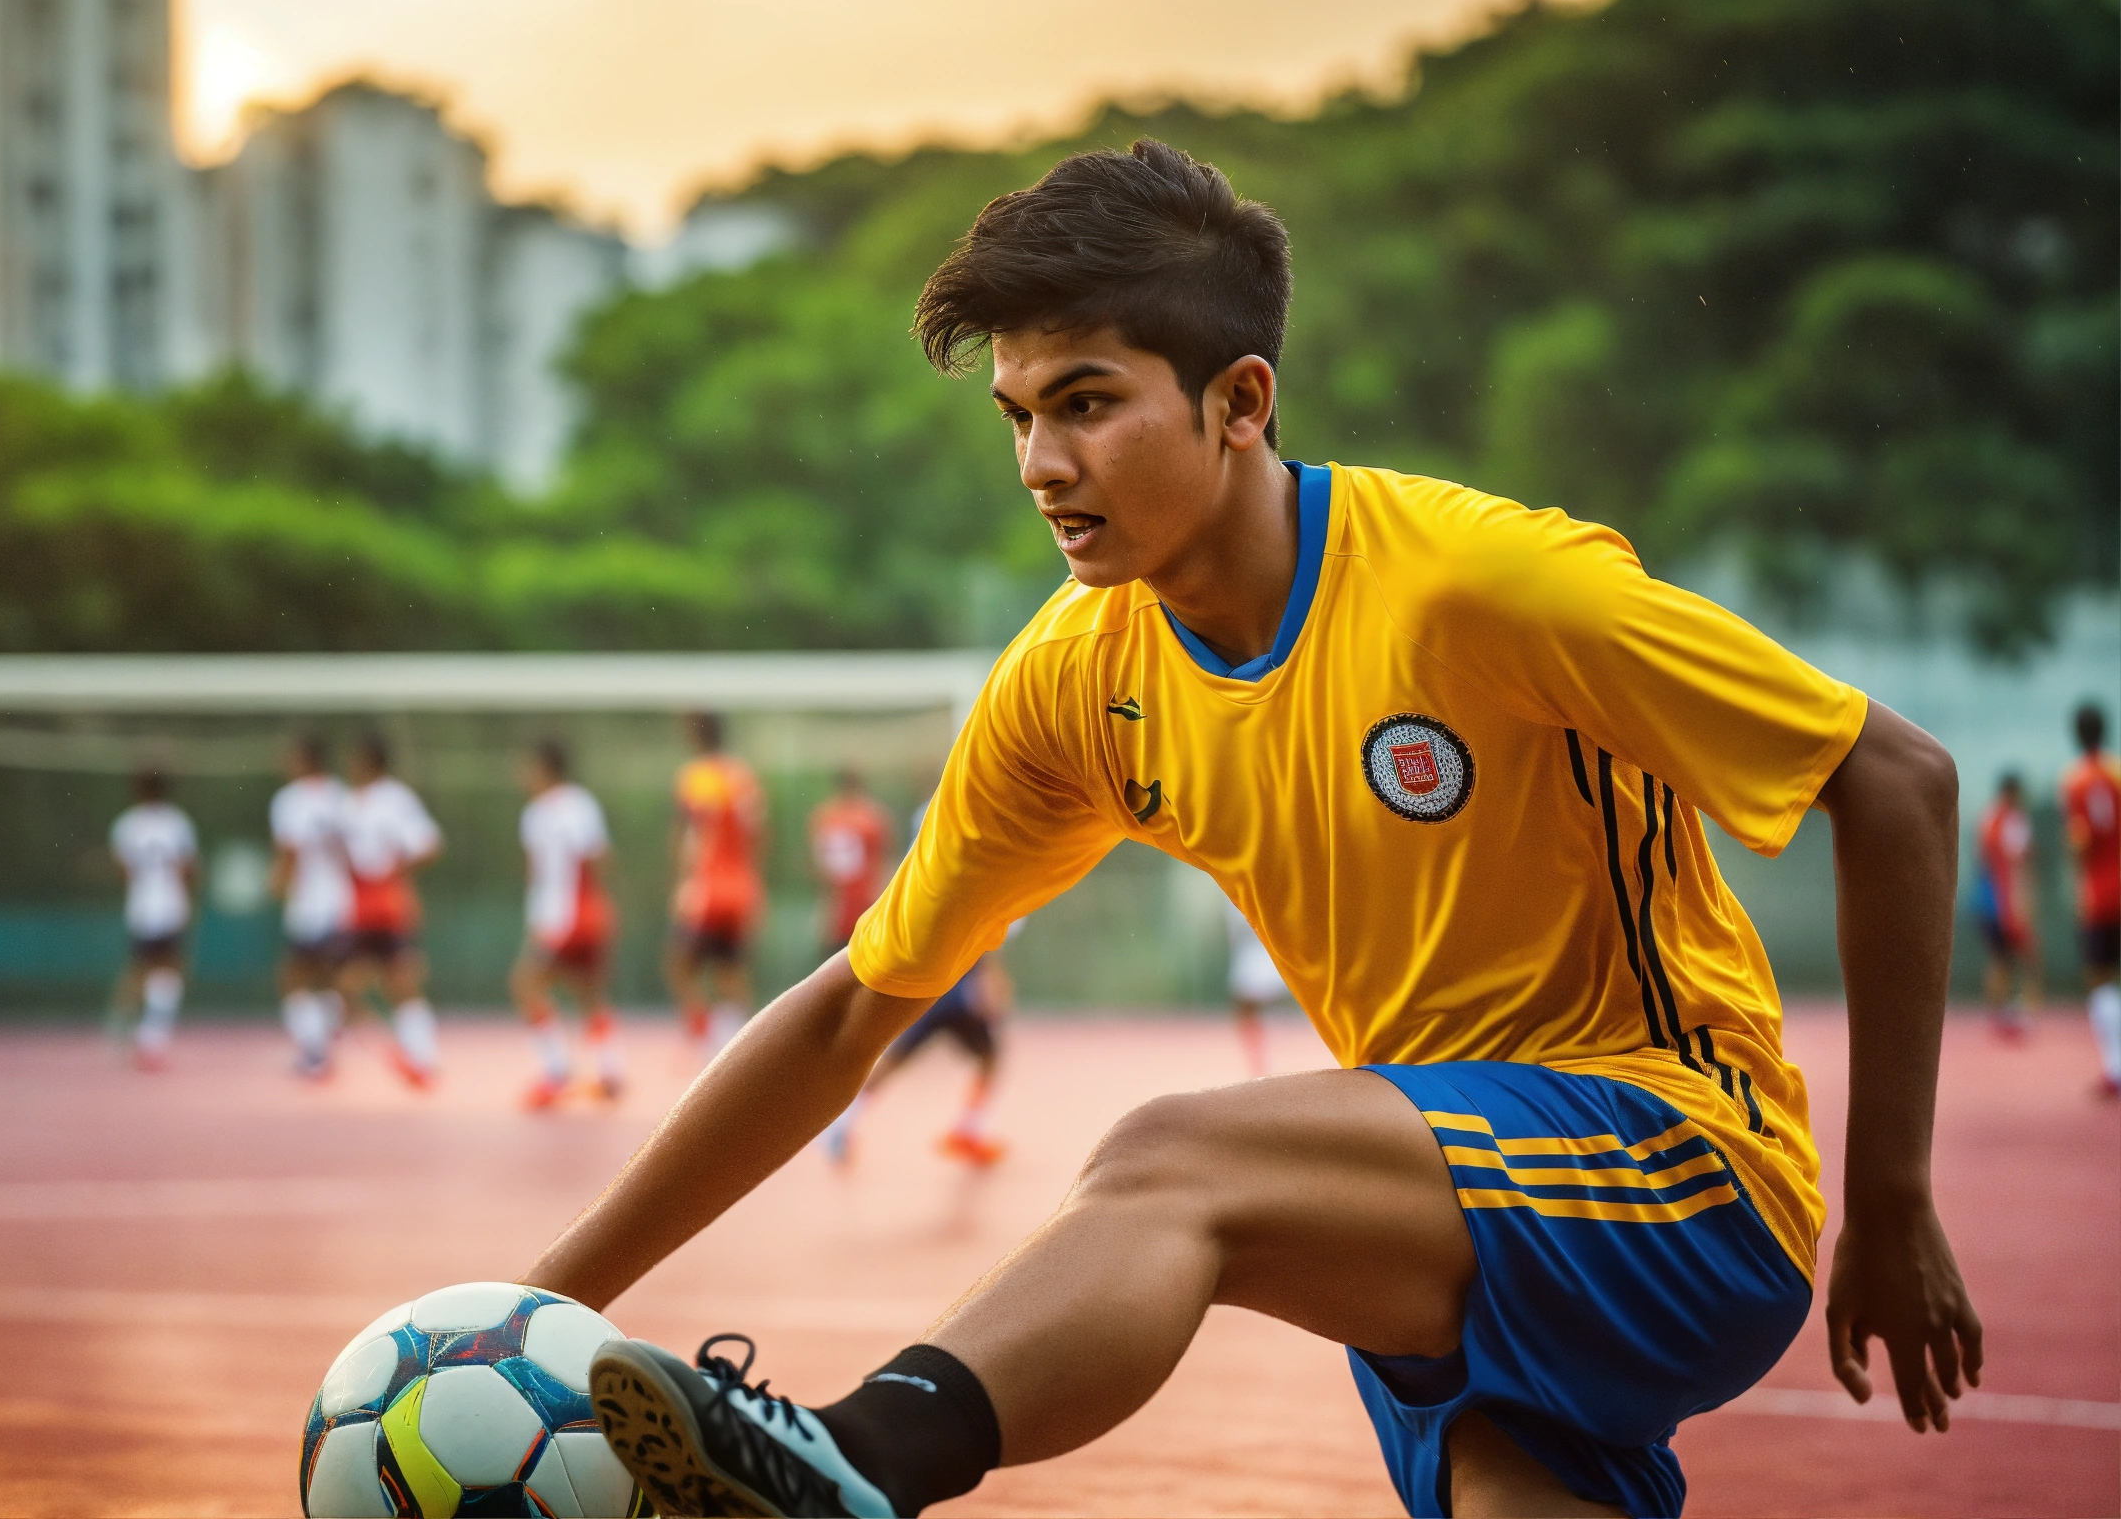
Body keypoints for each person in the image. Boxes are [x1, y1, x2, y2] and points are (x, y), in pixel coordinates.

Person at [521, 143, 1979, 1519]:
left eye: (1087, 403)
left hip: (1677, 1175)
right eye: (1019, 415)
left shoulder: (1486, 587)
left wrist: (1891, 1203)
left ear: (1240, 401)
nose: (1040, 463)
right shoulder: (1078, 678)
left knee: (1174, 1158)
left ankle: (850, 1462)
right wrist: (535, 1310)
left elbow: (1896, 780)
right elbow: (853, 1011)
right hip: (1437, 1220)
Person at [824, 918, 1021, 1170]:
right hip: (957, 996)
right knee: (986, 1058)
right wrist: (991, 990)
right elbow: (987, 951)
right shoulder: (1000, 906)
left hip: (938, 991)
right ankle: (967, 1129)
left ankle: (844, 1122)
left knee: (901, 1060)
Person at [513, 739, 627, 1110]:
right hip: (591, 914)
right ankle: (610, 1070)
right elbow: (599, 856)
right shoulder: (582, 803)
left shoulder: (537, 813)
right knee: (587, 991)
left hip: (562, 918)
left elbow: (537, 875)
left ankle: (556, 1070)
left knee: (525, 985)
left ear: (543, 768)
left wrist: (538, 921)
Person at [341, 732, 445, 1088]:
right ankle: (401, 1053)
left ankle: (420, 1058)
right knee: (347, 986)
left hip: (386, 905)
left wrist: (394, 870)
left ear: (369, 760)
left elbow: (429, 845)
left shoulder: (396, 799)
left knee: (399, 983)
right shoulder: (350, 803)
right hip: (357, 908)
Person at [666, 712, 767, 1049]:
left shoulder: (696, 777)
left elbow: (692, 833)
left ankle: (704, 1036)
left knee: (678, 963)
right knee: (730, 970)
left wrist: (685, 882)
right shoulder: (743, 776)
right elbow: (759, 833)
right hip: (741, 887)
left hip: (709, 887)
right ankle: (752, 1044)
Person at [269, 734, 353, 1080]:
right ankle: (325, 1035)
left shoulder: (291, 800)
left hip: (309, 904)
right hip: (342, 902)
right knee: (328, 979)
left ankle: (315, 1051)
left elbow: (291, 849)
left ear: (304, 759)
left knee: (293, 980)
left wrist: (278, 883)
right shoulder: (342, 795)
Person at [108, 767, 197, 1071]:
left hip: (143, 908)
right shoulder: (177, 823)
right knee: (169, 971)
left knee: (138, 971)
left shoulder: (127, 825)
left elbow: (123, 871)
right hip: (171, 906)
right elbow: (188, 869)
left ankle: (126, 1028)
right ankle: (152, 1037)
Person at [2063, 702, 2121, 1097]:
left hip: (2100, 893)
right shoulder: (2118, 774)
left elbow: (2081, 839)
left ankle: (2115, 1068)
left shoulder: (2075, 781)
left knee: (2099, 977)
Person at [1972, 772, 2042, 1043]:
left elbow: (1982, 857)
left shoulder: (1988, 817)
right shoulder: (2013, 820)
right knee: (2026, 957)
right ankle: (2025, 1013)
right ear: (2014, 793)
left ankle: (2001, 1015)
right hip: (2006, 900)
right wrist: (2023, 901)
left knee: (1999, 960)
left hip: (1987, 900)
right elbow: (2021, 862)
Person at [810, 767, 896, 954]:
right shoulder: (873, 818)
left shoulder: (825, 817)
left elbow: (819, 868)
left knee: (834, 973)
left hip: (837, 909)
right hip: (867, 904)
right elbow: (885, 863)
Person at [1223, 890, 1287, 1077]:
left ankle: (1262, 1057)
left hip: (1272, 951)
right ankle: (1257, 1059)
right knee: (1246, 1007)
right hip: (1252, 951)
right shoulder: (1233, 891)